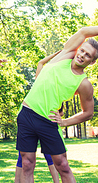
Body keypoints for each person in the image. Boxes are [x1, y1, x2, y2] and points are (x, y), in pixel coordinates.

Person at [17, 26, 98, 183]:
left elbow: (88, 113)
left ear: (92, 62)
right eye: (82, 51)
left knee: (63, 165)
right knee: (27, 164)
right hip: (27, 113)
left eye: (88, 56)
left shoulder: (84, 84)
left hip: (48, 121)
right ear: (78, 49)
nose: (82, 55)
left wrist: (65, 122)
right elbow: (84, 32)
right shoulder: (65, 55)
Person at [15, 50, 61, 183]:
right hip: (27, 118)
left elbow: (60, 110)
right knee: (24, 159)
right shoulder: (40, 81)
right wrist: (58, 53)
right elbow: (41, 62)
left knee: (51, 156)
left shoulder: (57, 87)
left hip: (46, 121)